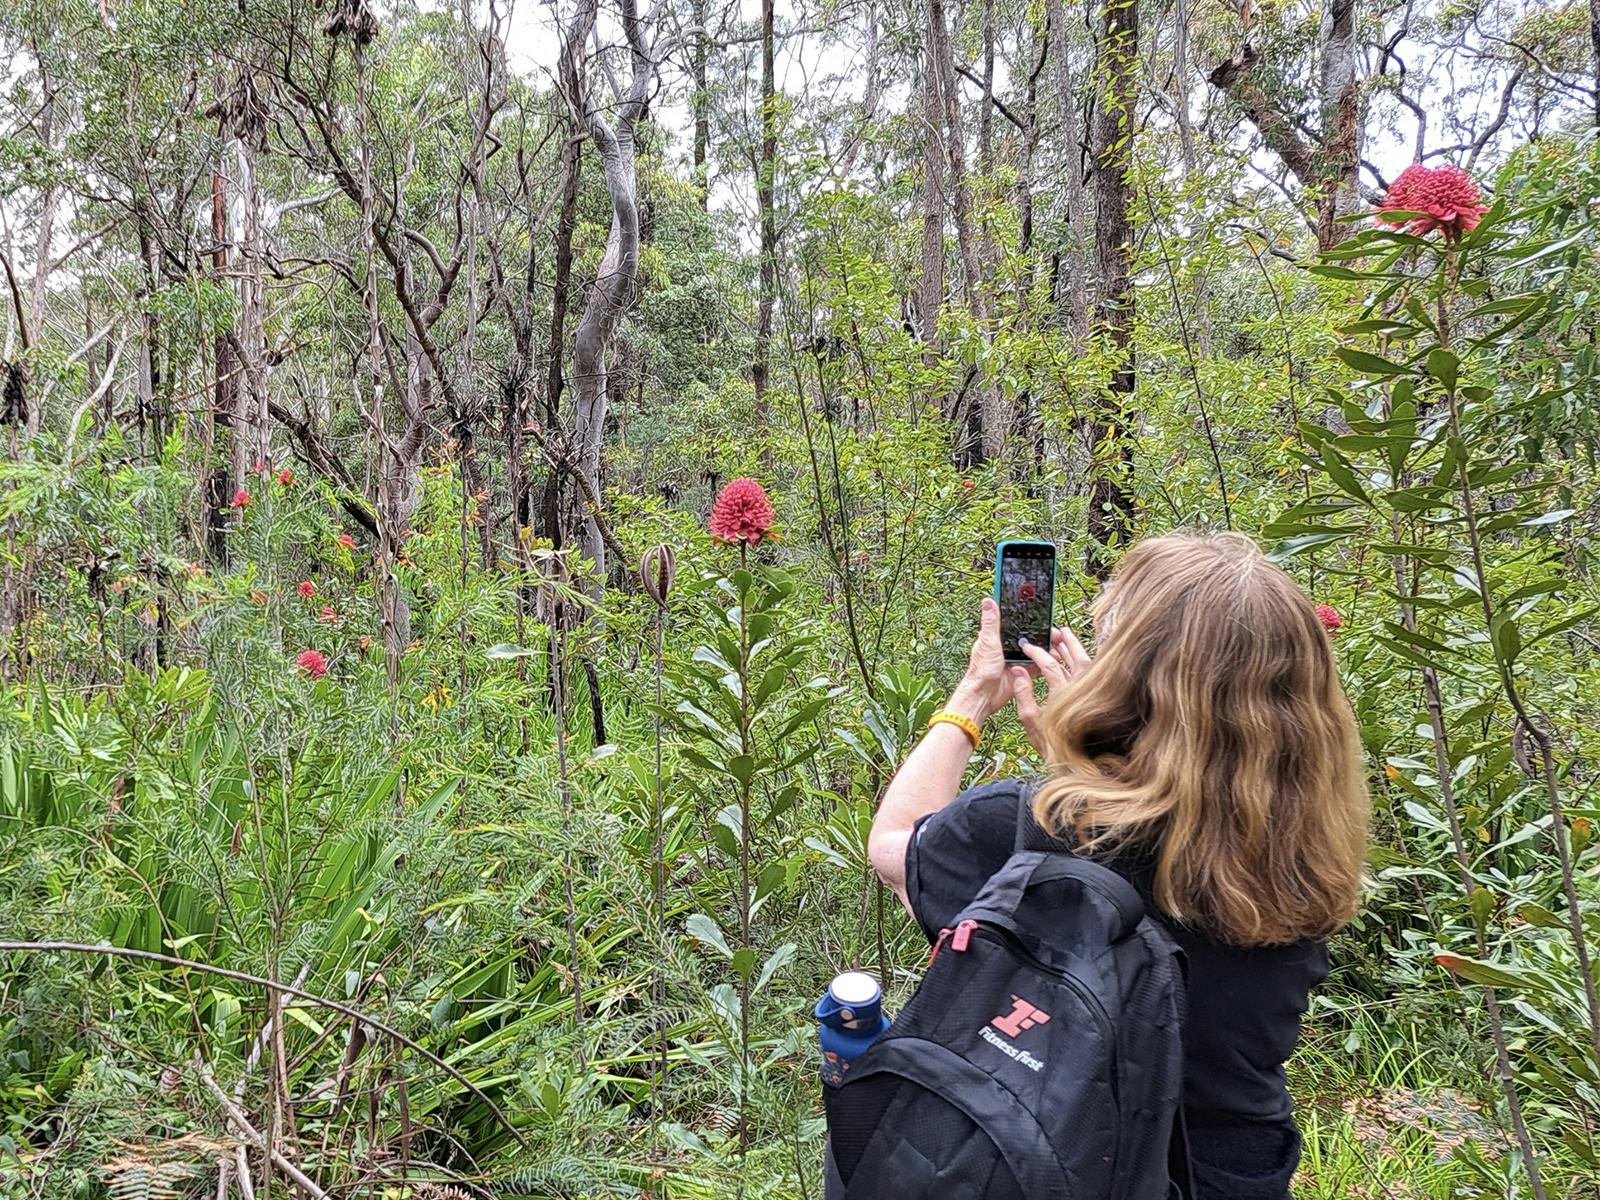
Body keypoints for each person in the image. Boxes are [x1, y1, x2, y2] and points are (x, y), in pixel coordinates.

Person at [867, 532, 1369, 1200]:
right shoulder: (1304, 856)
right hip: (1230, 1176)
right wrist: (1089, 759)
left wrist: (971, 699)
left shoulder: (1032, 824)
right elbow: (1178, 832)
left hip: (1067, 1168)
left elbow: (895, 847)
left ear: (1127, 679)